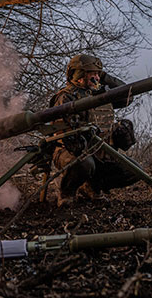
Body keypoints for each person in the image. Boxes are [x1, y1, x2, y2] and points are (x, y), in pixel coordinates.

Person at [49, 54, 139, 206]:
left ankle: (91, 188)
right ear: (79, 75)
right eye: (92, 74)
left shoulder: (101, 94)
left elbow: (128, 96)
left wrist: (105, 77)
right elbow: (66, 136)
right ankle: (66, 193)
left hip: (100, 151)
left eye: (98, 74)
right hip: (70, 152)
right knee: (85, 163)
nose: (96, 78)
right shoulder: (66, 97)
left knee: (133, 170)